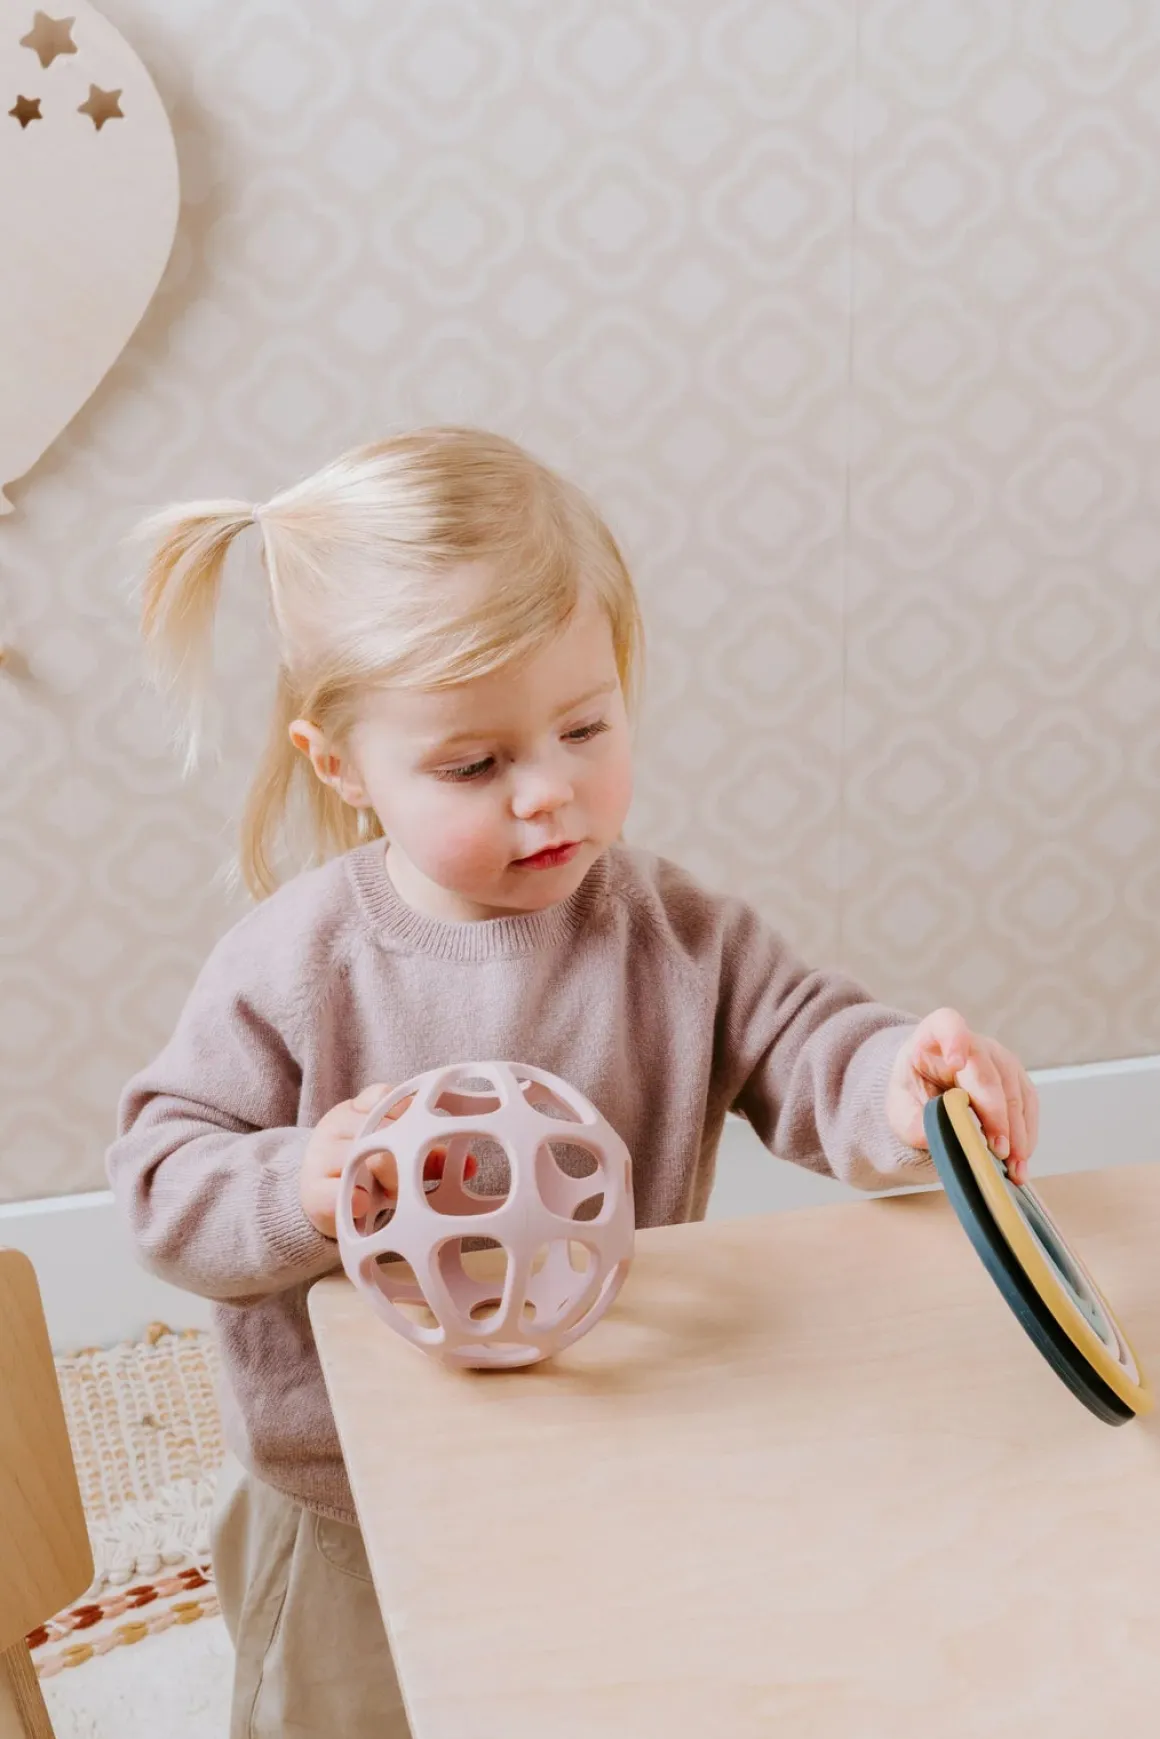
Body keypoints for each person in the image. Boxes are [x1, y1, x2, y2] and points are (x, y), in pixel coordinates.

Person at [107, 427, 1039, 1739]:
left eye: (585, 727)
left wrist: (901, 1088)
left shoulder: (675, 934)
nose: (547, 793)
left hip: (608, 1438)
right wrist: (301, 1185)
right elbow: (162, 1181)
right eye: (474, 765)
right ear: (342, 767)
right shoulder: (295, 963)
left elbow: (807, 1040)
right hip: (356, 1499)